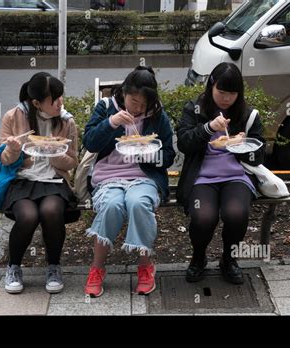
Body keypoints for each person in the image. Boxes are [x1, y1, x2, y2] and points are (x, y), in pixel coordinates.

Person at [83, 66, 176, 297]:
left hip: (144, 178)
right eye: (134, 102)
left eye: (144, 105)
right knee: (112, 205)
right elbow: (90, 143)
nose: (138, 109)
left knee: (137, 203)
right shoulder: (106, 108)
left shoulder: (157, 115)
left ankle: (145, 266)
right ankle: (97, 268)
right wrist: (111, 122)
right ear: (123, 93)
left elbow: (169, 157)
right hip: (109, 176)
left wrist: (150, 155)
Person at [176, 62, 266, 284]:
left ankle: (229, 259)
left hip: (236, 176)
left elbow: (260, 154)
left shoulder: (247, 115)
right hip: (202, 176)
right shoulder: (195, 109)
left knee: (236, 213)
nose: (226, 98)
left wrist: (244, 146)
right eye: (221, 92)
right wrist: (208, 129)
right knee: (203, 216)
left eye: (232, 94)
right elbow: (184, 144)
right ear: (211, 87)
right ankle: (198, 258)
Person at [0, 72, 79, 294]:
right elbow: (3, 161)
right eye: (54, 99)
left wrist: (54, 152)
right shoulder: (13, 117)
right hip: (22, 180)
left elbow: (72, 161)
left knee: (51, 211)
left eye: (61, 96)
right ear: (36, 102)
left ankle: (53, 266)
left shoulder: (66, 120)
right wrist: (13, 150)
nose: (60, 102)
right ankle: (13, 266)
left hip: (54, 180)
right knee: (28, 216)